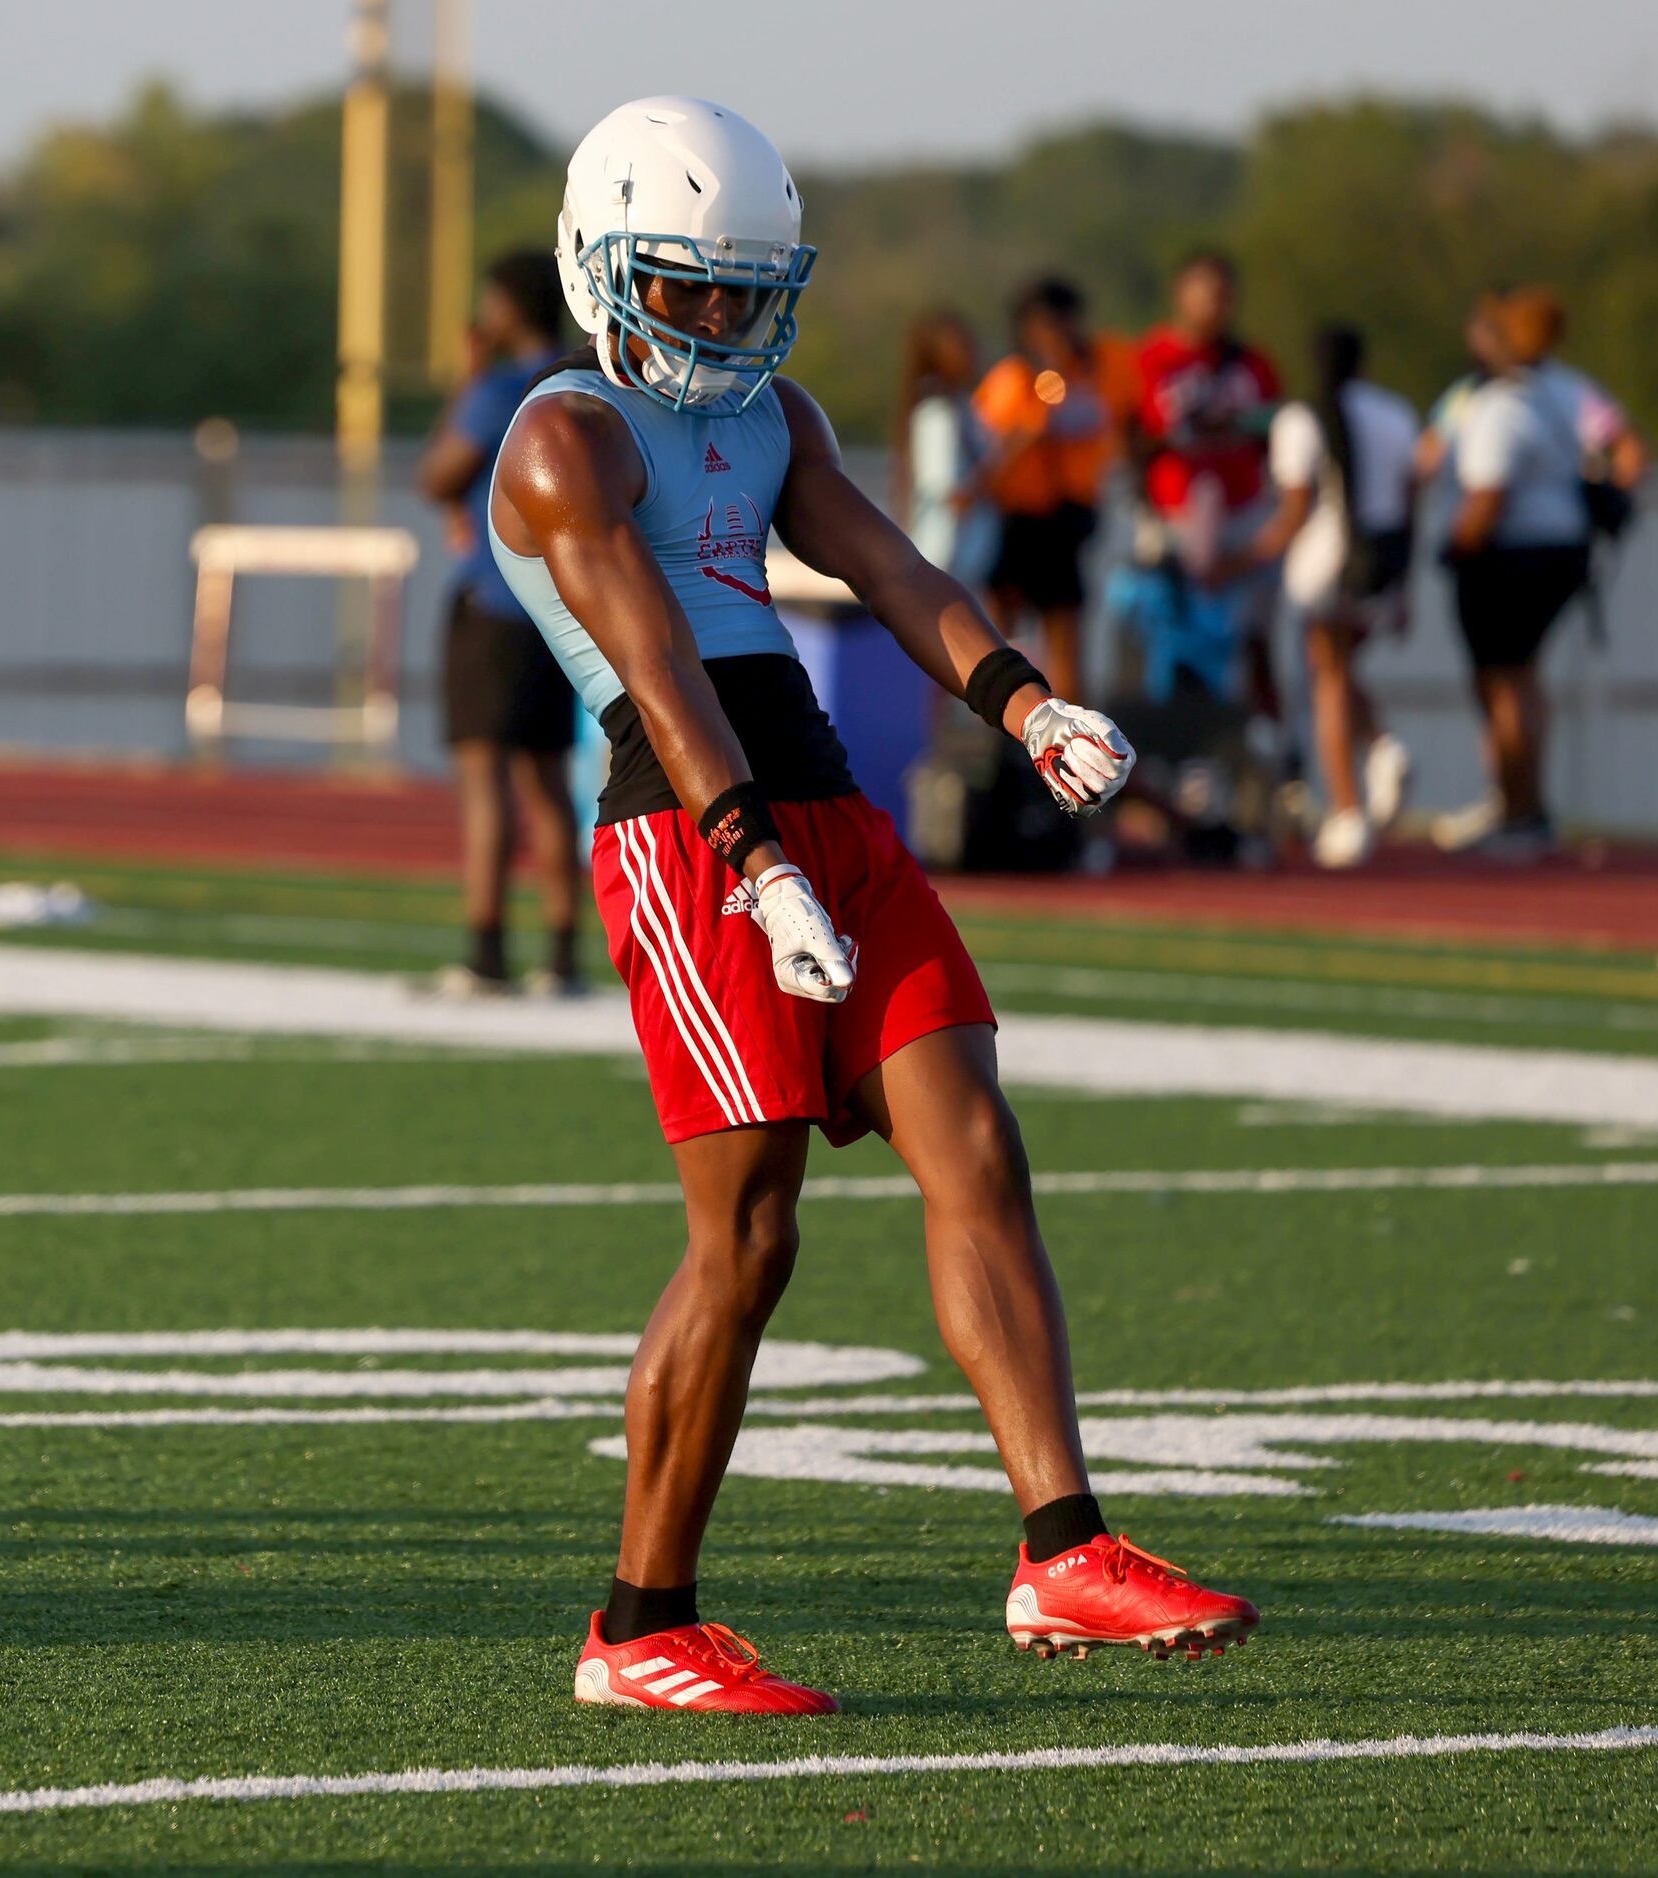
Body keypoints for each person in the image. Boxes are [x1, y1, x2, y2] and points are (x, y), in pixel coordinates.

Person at [488, 96, 1256, 1714]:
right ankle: (640, 1622)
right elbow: (658, 662)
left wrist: (1028, 703)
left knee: (973, 1135)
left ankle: (1064, 1548)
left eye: (740, 287)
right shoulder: (565, 434)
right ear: (603, 268)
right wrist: (756, 863)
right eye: (687, 285)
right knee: (749, 1232)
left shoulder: (778, 419)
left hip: (826, 799)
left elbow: (896, 571)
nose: (719, 318)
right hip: (687, 824)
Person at [421, 250, 581, 995]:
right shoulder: (577, 382)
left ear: (512, 307)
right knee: (547, 779)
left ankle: (486, 950)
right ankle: (563, 954)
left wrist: (467, 374)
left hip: (492, 602)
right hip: (561, 606)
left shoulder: (500, 385)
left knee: (484, 774)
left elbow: (438, 476)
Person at [1433, 290, 1608, 862]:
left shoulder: (1500, 405)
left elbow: (1486, 498)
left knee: (1504, 684)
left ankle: (1517, 811)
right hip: (1561, 552)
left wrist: (1453, 550)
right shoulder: (1559, 392)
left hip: (1514, 559)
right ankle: (1526, 810)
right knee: (1524, 680)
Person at [1246, 324, 1418, 868]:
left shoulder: (1301, 418)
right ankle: (1383, 748)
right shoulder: (1395, 414)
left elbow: (1296, 507)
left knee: (1330, 680)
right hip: (1381, 564)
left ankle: (1347, 809)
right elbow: (1412, 501)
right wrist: (1406, 583)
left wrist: (1244, 558)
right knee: (1338, 669)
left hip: (1324, 563)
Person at [973, 278, 1136, 699]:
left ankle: (1073, 737)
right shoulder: (1013, 379)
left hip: (1068, 520)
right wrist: (1032, 426)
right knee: (994, 633)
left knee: (1066, 631)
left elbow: (1126, 422)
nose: (1060, 335)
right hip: (1017, 520)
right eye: (1048, 325)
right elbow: (989, 455)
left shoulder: (1096, 371)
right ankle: (999, 727)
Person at [1134, 253, 1284, 713]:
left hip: (1244, 516)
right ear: (1181, 293)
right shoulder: (1150, 361)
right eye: (1206, 292)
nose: (1216, 304)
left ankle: (1270, 744)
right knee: (1171, 637)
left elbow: (1277, 439)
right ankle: (1169, 748)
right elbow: (1129, 439)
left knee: (1256, 640)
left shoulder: (1251, 363)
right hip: (1174, 518)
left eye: (1224, 294)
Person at [890, 309, 997, 590]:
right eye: (962, 347)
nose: (972, 353)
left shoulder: (959, 404)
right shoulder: (936, 411)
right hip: (946, 557)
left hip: (960, 559)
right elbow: (948, 490)